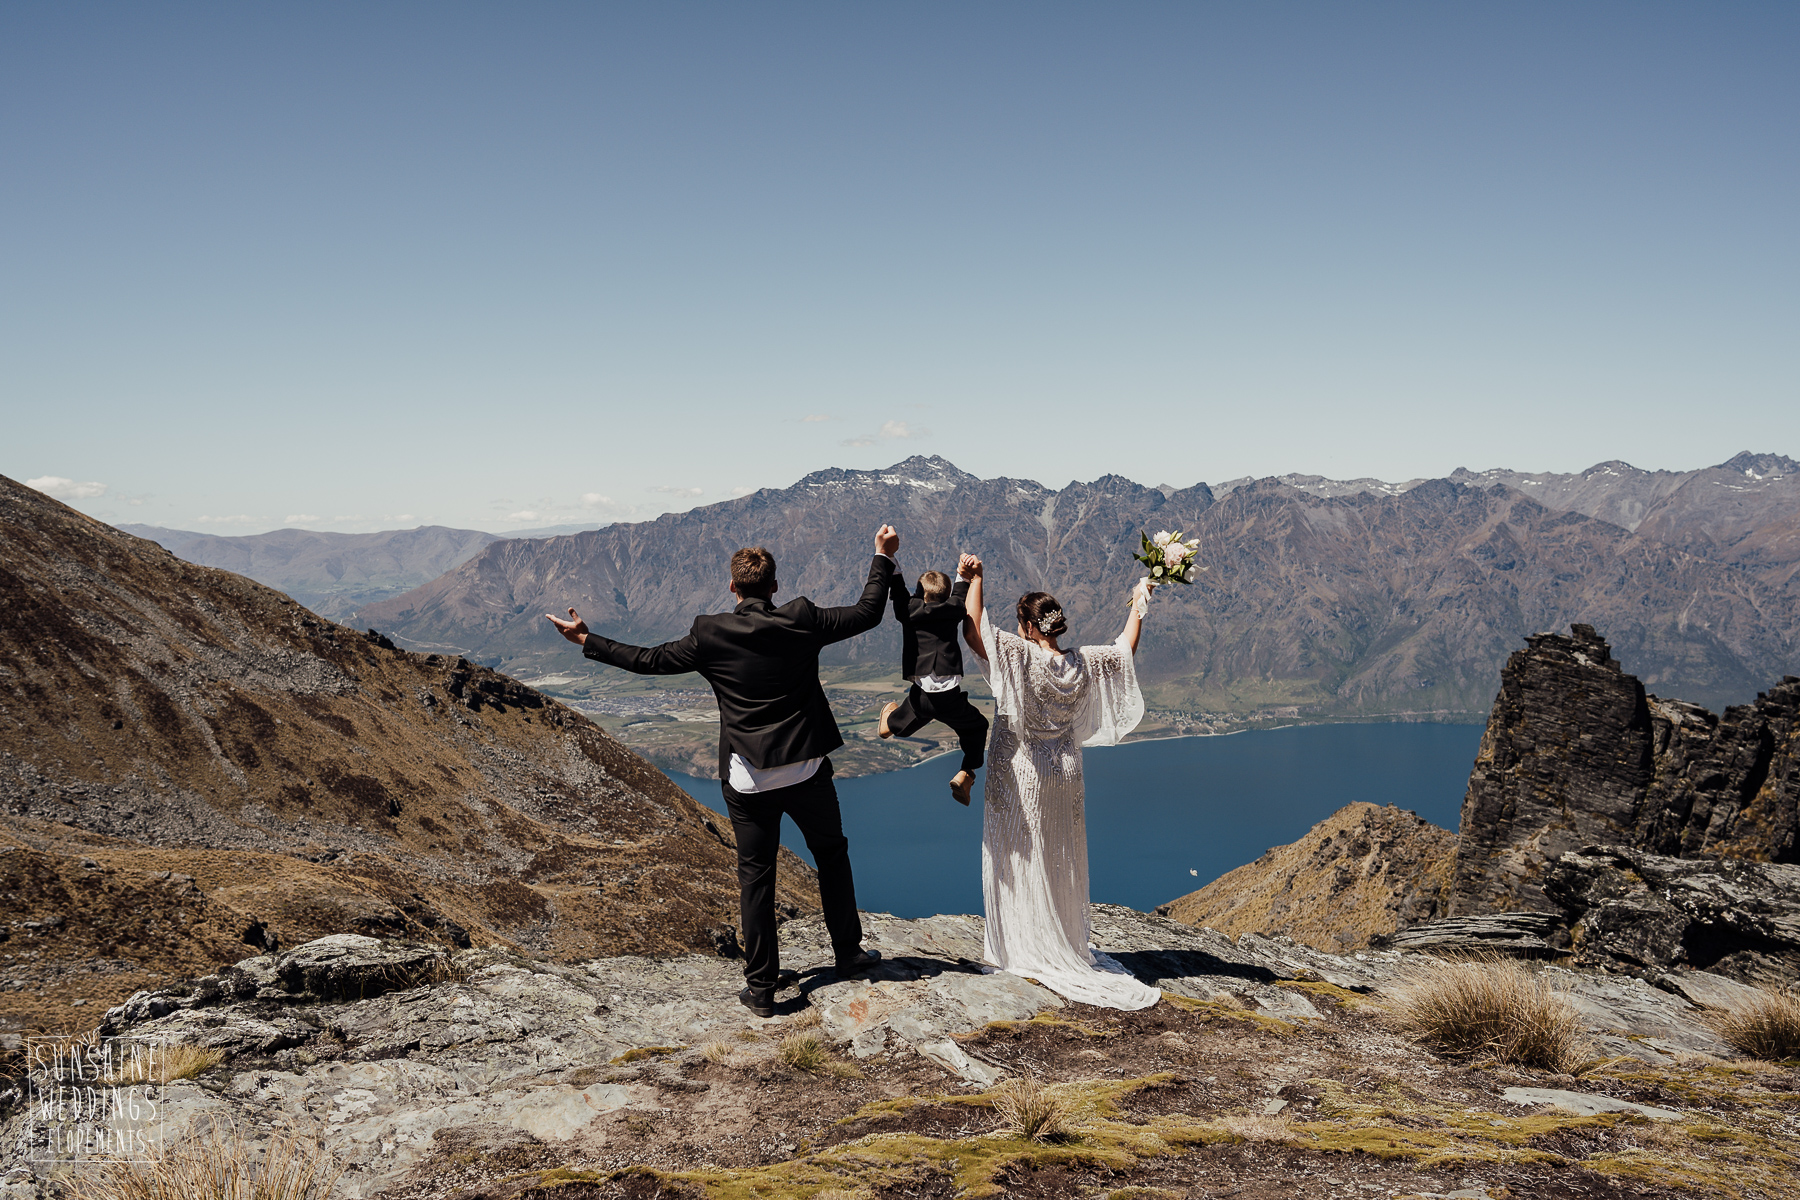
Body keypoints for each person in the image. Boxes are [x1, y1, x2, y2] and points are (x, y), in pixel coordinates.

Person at [546, 527, 899, 1018]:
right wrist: (882, 556)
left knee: (757, 877)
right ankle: (849, 954)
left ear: (732, 587)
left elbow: (648, 660)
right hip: (806, 770)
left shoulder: (709, 633)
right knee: (832, 856)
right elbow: (868, 612)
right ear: (774, 586)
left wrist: (587, 638)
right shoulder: (802, 617)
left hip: (749, 778)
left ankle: (762, 990)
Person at [960, 559, 1161, 1010]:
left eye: (1021, 624)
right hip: (1066, 773)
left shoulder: (1020, 654)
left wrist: (976, 580)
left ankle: (1023, 946)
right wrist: (1139, 603)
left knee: (1019, 856)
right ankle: (1064, 940)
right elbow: (1125, 649)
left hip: (1023, 773)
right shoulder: (1082, 663)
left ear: (1030, 627)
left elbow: (974, 630)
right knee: (1059, 856)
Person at [877, 554, 990, 805]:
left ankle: (890, 724)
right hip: (950, 697)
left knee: (910, 718)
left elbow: (897, 589)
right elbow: (960, 592)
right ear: (946, 595)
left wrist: (890, 557)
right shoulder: (955, 609)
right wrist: (963, 572)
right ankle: (966, 772)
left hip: (922, 696)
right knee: (977, 727)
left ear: (918, 594)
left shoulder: (909, 611)